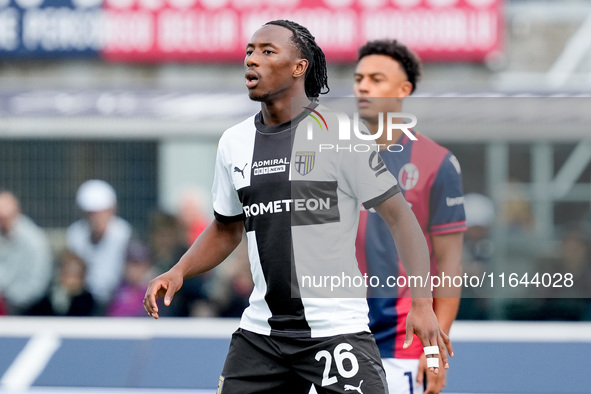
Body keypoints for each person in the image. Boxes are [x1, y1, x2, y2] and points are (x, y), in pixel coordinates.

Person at [144, 20, 452, 394]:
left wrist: (422, 304)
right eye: (249, 51)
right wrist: (179, 270)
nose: (252, 60)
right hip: (261, 337)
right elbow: (227, 228)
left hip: (335, 331)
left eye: (267, 51)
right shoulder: (233, 142)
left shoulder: (341, 134)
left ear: (299, 67)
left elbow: (401, 219)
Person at [353, 40, 466, 394]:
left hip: (402, 344)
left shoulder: (436, 162)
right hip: (334, 335)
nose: (363, 86)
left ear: (404, 90)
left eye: (376, 78)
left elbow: (449, 265)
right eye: (358, 78)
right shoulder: (330, 156)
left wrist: (433, 350)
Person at [66, 179, 133, 311]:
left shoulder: (124, 234)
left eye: (101, 212)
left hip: (116, 299)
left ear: (112, 210)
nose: (97, 218)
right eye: (92, 214)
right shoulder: (75, 234)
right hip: (85, 300)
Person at [0, 189, 52, 314]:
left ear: (18, 212)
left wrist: (8, 301)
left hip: (23, 308)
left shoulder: (35, 241)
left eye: (6, 217)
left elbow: (36, 284)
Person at [27, 251, 96, 317]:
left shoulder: (88, 300)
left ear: (83, 277)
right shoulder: (49, 296)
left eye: (75, 274)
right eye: (67, 273)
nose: (71, 278)